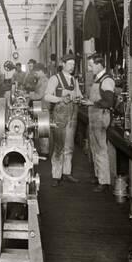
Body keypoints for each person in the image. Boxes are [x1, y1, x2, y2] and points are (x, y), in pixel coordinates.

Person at [44, 53, 83, 186]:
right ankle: (56, 175)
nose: (72, 67)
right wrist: (60, 99)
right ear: (63, 64)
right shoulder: (55, 79)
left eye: (73, 64)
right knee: (58, 147)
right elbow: (47, 96)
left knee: (69, 147)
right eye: (70, 64)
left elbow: (79, 96)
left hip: (72, 116)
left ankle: (67, 173)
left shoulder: (74, 80)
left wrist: (79, 99)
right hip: (59, 116)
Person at [80, 54, 116, 192]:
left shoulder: (106, 80)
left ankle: (104, 181)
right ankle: (98, 175)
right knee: (94, 148)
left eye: (91, 65)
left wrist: (92, 102)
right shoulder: (98, 79)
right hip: (94, 117)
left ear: (99, 64)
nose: (89, 68)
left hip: (101, 118)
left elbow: (109, 102)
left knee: (101, 149)